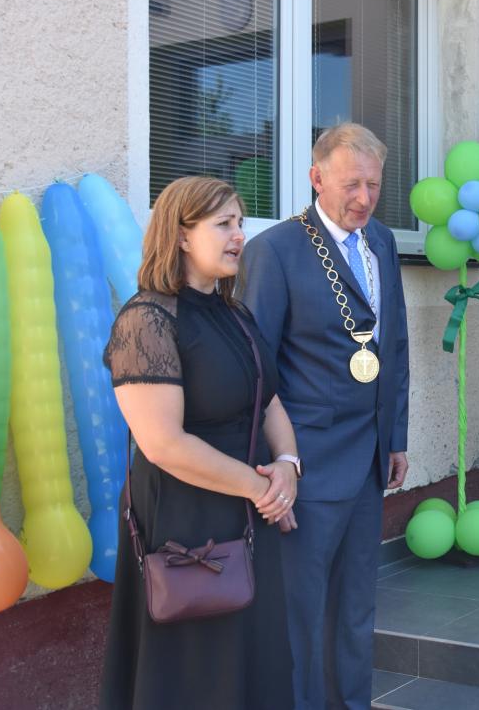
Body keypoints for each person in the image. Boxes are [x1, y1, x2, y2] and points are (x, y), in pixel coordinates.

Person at [100, 176, 300, 709]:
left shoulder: (236, 314)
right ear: (182, 235)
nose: (239, 235)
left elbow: (269, 402)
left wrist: (287, 464)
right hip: (184, 517)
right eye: (223, 224)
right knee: (196, 673)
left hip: (249, 510)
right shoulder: (146, 320)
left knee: (253, 659)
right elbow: (163, 444)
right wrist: (262, 489)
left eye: (240, 223)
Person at [240, 122, 410, 710]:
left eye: (373, 185)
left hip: (368, 461)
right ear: (316, 178)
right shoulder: (275, 251)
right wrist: (271, 469)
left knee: (357, 607)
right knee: (301, 613)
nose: (364, 198)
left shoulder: (382, 241)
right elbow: (255, 371)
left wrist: (395, 437)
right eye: (350, 185)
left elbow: (394, 347)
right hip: (305, 468)